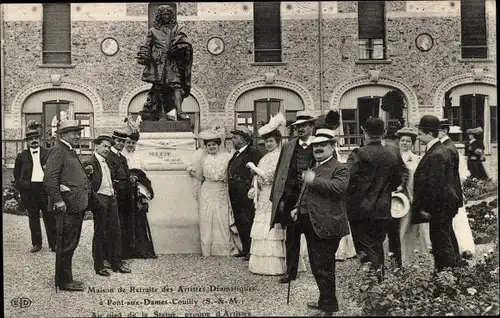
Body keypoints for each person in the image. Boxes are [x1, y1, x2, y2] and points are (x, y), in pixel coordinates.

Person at [291, 127, 350, 315]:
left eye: (323, 145)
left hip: (328, 224)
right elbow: (305, 190)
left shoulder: (340, 167)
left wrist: (312, 179)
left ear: (332, 147)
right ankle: (324, 300)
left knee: (325, 267)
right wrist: (297, 207)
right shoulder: (314, 166)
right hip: (311, 222)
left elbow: (338, 188)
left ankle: (329, 307)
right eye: (316, 145)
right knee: (317, 266)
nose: (318, 148)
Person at [346, 117, 402, 279]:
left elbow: (348, 180)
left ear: (364, 132)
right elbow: (397, 182)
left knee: (365, 246)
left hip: (360, 209)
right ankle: (379, 277)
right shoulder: (391, 155)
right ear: (383, 133)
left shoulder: (358, 153)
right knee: (377, 244)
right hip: (383, 208)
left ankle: (374, 281)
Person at [43, 120, 90, 292]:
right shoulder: (58, 150)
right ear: (62, 135)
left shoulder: (69, 150)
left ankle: (66, 278)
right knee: (66, 244)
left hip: (75, 204)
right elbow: (49, 179)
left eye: (78, 132)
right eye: (73, 133)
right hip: (66, 206)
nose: (78, 135)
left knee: (71, 243)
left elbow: (66, 174)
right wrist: (58, 200)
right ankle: (64, 282)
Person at [270, 110, 316, 284]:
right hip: (292, 197)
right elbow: (281, 172)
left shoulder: (320, 145)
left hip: (312, 197)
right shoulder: (289, 146)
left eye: (304, 126)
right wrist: (280, 198)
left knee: (313, 237)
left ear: (312, 127)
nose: (300, 129)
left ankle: (318, 272)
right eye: (298, 127)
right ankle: (291, 272)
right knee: (292, 236)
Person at [413, 115, 461, 272]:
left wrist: (426, 208)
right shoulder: (438, 150)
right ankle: (448, 273)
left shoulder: (437, 154)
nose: (418, 138)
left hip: (439, 208)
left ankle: (445, 277)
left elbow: (435, 186)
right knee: (443, 241)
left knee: (441, 244)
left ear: (429, 134)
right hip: (443, 206)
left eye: (420, 134)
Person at [84, 135, 131, 276]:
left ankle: (116, 263)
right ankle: (99, 266)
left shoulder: (108, 162)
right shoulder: (89, 163)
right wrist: (94, 199)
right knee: (100, 232)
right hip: (100, 198)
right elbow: (86, 184)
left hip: (111, 198)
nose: (106, 149)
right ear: (96, 146)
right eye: (104, 146)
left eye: (108, 147)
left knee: (115, 231)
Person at [246, 113, 287, 275]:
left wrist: (253, 167)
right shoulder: (265, 157)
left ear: (278, 142)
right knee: (261, 228)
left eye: (271, 141)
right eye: (266, 141)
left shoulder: (279, 157)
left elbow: (269, 176)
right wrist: (254, 188)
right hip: (263, 195)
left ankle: (276, 265)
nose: (268, 144)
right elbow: (259, 178)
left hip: (273, 195)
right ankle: (261, 264)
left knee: (271, 227)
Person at [136, 4, 193, 121]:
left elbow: (184, 43)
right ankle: (161, 112)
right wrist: (145, 56)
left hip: (172, 63)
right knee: (159, 88)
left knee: (177, 86)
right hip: (158, 64)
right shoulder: (152, 31)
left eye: (168, 14)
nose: (166, 16)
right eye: (163, 14)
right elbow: (147, 46)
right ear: (159, 16)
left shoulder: (176, 30)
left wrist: (181, 49)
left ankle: (180, 111)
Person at [13, 123, 56, 253]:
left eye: (36, 138)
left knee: (49, 217)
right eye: (31, 139)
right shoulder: (22, 156)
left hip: (45, 188)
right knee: (33, 217)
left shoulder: (48, 153)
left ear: (40, 139)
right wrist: (22, 187)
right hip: (30, 190)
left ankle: (54, 244)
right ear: (27, 141)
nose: (34, 141)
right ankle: (37, 243)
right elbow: (16, 174)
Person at [394, 127, 431, 264]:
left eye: (408, 141)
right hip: (395, 198)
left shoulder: (417, 159)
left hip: (410, 198)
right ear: (398, 142)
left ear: (412, 143)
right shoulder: (392, 156)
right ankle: (394, 256)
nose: (404, 143)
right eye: (402, 140)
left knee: (409, 227)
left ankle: (410, 257)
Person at [439, 120, 475, 258]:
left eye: (439, 131)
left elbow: (460, 173)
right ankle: (461, 247)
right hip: (454, 190)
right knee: (457, 220)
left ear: (445, 131)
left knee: (456, 221)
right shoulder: (448, 147)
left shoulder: (447, 149)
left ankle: (461, 248)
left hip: (451, 191)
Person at [227, 126, 263, 261]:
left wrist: (250, 186)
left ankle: (251, 251)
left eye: (235, 137)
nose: (233, 139)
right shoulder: (236, 154)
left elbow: (257, 171)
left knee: (248, 220)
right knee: (239, 220)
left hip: (246, 191)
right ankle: (245, 249)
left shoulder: (253, 153)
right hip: (235, 191)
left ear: (243, 139)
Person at [122, 130, 157, 259]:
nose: (130, 145)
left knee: (139, 220)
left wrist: (141, 186)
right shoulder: (121, 156)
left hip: (137, 191)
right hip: (125, 192)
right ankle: (126, 250)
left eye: (133, 143)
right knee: (126, 220)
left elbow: (143, 173)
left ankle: (140, 249)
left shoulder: (138, 156)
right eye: (128, 142)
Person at [107, 128, 137, 260]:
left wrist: (130, 178)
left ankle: (122, 253)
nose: (120, 144)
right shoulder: (108, 156)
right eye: (118, 141)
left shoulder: (122, 157)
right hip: (115, 194)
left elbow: (126, 173)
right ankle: (110, 255)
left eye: (123, 141)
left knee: (124, 223)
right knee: (113, 225)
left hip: (125, 194)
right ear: (113, 141)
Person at [382, 124, 409, 268]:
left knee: (393, 233)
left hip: (392, 198)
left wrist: (400, 186)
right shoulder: (367, 151)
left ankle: (396, 264)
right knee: (385, 234)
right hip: (378, 199)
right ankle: (382, 265)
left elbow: (404, 170)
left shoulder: (393, 150)